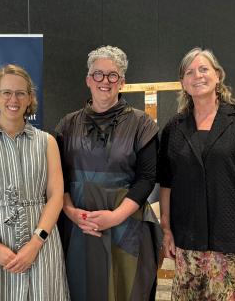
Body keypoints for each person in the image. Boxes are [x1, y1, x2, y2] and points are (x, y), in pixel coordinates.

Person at [158, 47, 235, 300]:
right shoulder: (174, 128)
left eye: (204, 69)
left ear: (218, 75)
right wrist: (166, 229)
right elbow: (167, 184)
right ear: (183, 82)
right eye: (189, 72)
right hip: (186, 241)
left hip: (228, 241)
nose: (197, 76)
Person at [56, 45, 161, 301]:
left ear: (122, 82)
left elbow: (147, 178)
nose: (105, 81)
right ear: (88, 80)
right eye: (98, 74)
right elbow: (56, 179)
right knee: (80, 288)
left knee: (126, 290)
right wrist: (71, 213)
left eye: (112, 75)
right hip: (78, 225)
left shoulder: (142, 124)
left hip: (125, 224)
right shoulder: (67, 125)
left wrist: (114, 217)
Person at [0, 64, 69, 300]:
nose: (14, 99)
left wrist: (35, 244)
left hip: (40, 246)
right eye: (6, 92)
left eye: (21, 93)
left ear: (30, 99)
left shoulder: (46, 142)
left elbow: (56, 196)